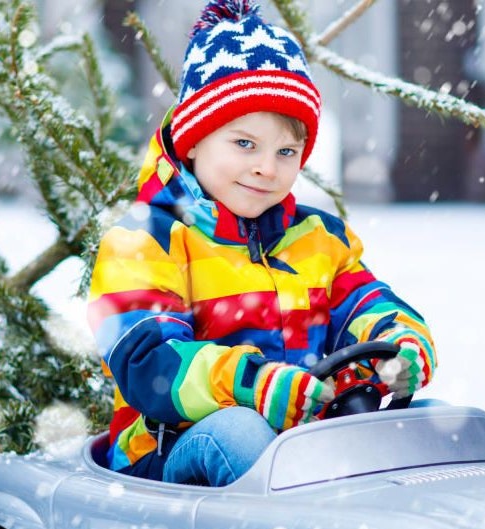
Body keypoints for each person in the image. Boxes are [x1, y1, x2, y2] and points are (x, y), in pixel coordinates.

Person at [87, 0, 437, 487]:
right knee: (241, 432)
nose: (267, 168)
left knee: (429, 426)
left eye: (286, 151)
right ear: (194, 141)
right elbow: (149, 362)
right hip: (170, 458)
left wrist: (400, 342)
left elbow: (363, 301)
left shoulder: (316, 239)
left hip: (303, 452)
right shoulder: (147, 239)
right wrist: (252, 384)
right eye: (244, 144)